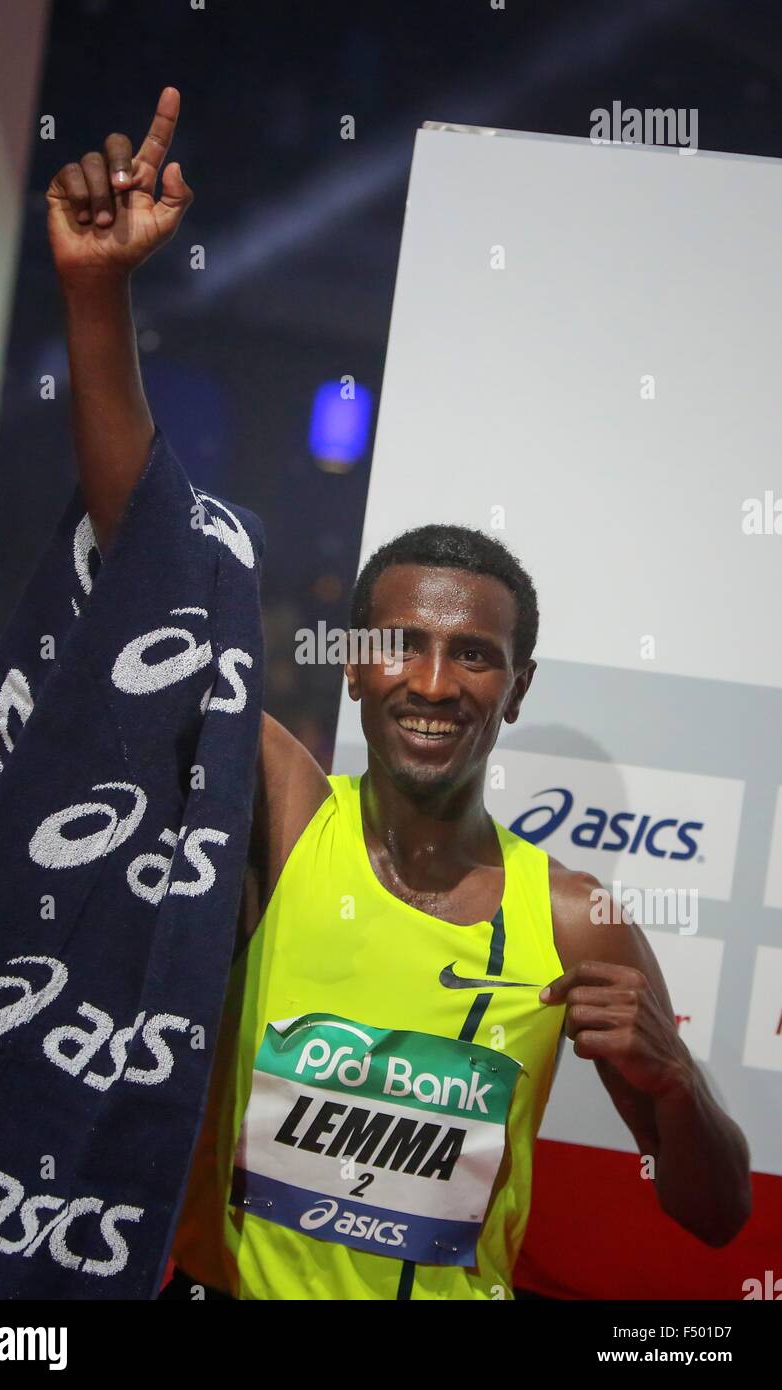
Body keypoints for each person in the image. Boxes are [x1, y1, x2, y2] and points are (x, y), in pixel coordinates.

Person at [47, 87, 752, 1301]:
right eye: (404, 645)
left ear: (514, 687)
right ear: (358, 661)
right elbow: (154, 581)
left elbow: (712, 1217)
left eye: (473, 655)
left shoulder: (571, 917)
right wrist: (96, 294)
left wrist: (671, 1084)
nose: (434, 680)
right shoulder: (283, 815)